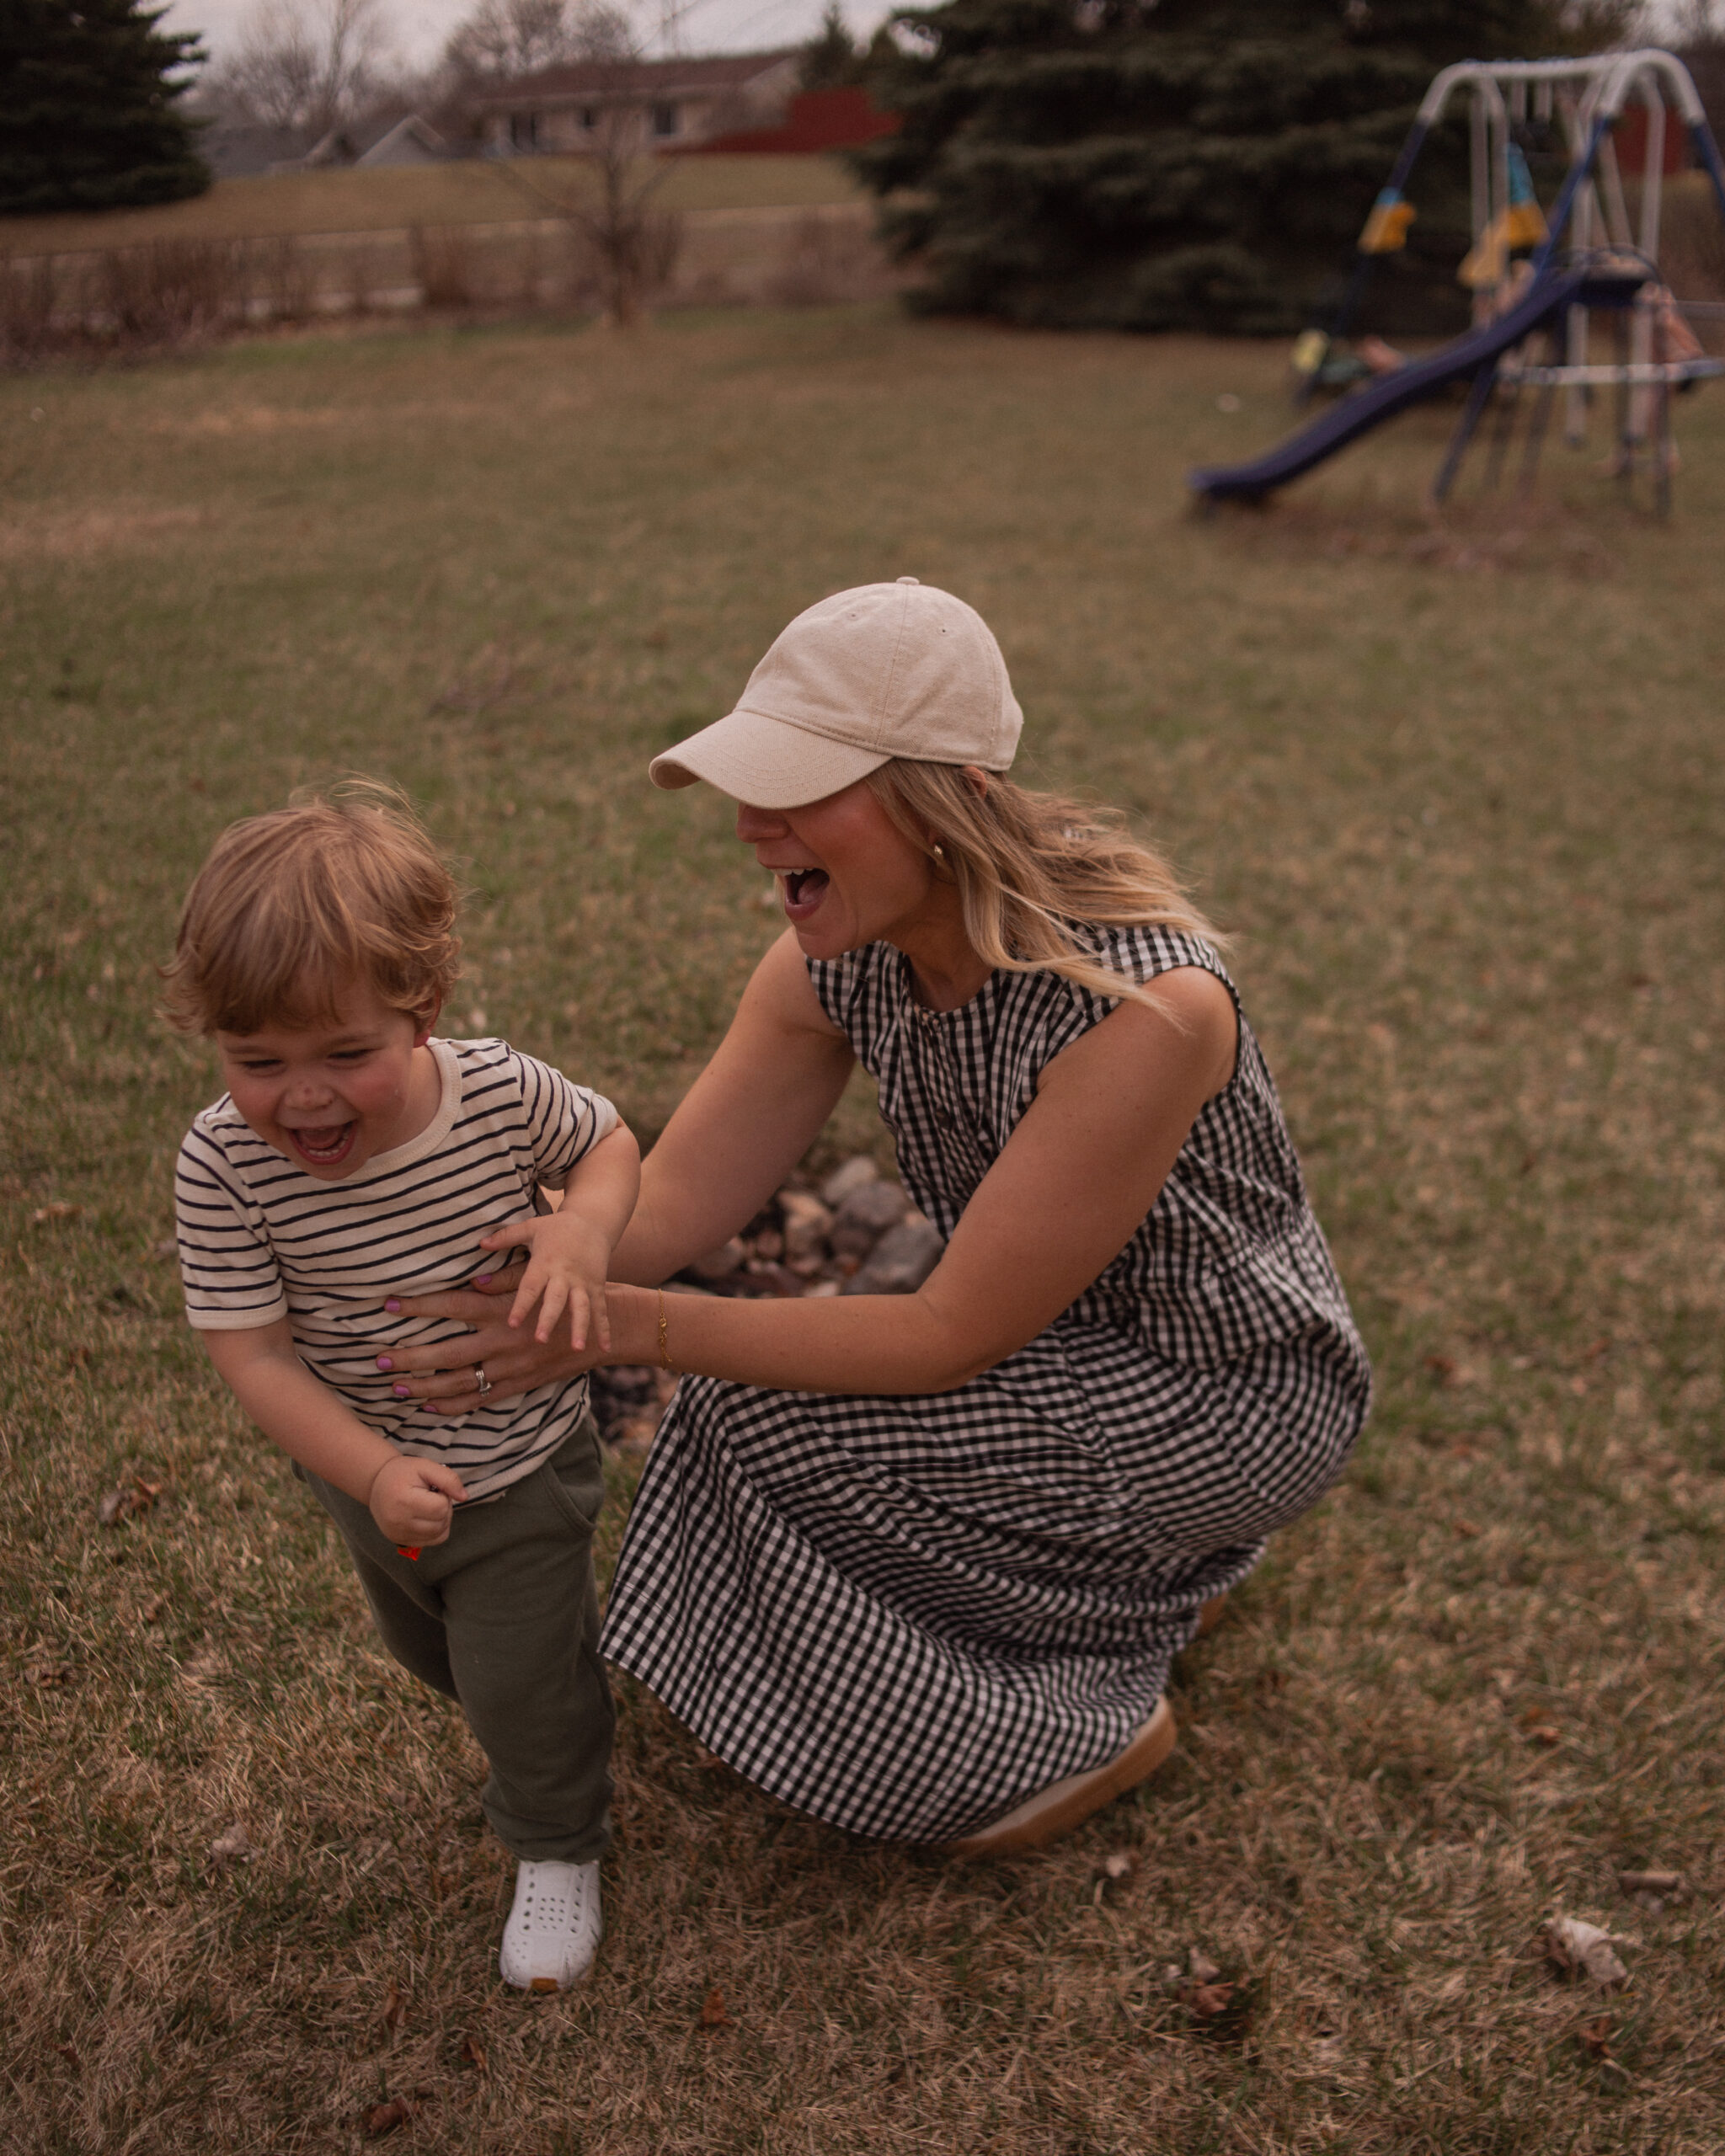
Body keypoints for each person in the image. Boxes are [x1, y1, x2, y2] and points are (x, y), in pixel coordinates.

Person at [380, 580, 1372, 1854]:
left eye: (797, 787)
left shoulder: (1143, 1010)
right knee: (765, 1420)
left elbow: (943, 1335)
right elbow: (679, 1196)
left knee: (765, 1425)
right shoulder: (837, 954)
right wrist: (549, 1258)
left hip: (1225, 1394)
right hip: (1057, 1349)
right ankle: (1132, 1587)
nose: (750, 825)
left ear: (940, 794)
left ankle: (1066, 1735)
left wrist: (612, 1328)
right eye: (750, 783)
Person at [163, 784, 639, 1986]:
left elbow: (607, 1146)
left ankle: (557, 1842)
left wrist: (581, 1234)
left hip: (524, 1459)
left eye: (345, 1055)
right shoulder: (226, 1163)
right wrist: (370, 1473)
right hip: (366, 1475)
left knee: (515, 1679)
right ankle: (552, 1707)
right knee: (439, 1659)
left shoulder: (496, 1092)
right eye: (257, 1060)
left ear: (421, 1013)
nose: (304, 1097)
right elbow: (253, 1351)